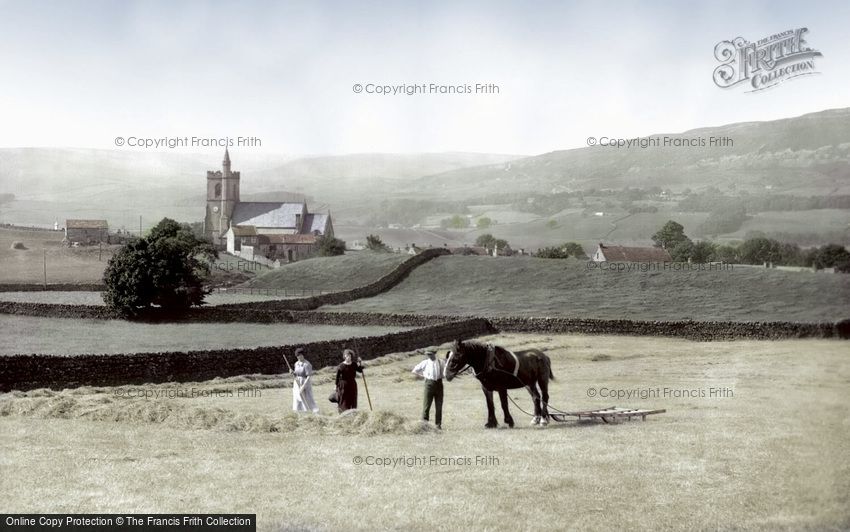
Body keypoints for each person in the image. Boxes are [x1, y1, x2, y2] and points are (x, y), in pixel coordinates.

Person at [411, 349, 445, 429]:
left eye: (430, 354)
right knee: (426, 406)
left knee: (439, 406)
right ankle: (424, 425)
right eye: (427, 354)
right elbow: (415, 370)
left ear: (434, 354)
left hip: (439, 384)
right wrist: (423, 376)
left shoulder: (441, 362)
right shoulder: (425, 362)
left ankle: (438, 425)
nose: (429, 356)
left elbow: (444, 372)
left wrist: (444, 376)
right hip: (429, 385)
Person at [290, 347, 319, 413]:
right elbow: (296, 374)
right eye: (297, 356)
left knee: (307, 397)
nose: (299, 357)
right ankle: (299, 412)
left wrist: (303, 386)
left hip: (305, 382)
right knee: (297, 396)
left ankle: (313, 411)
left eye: (300, 355)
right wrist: (292, 372)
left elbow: (309, 376)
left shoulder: (307, 364)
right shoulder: (296, 364)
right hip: (297, 382)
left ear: (303, 355)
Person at [335, 349, 363, 413]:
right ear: (344, 356)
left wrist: (360, 363)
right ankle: (344, 413)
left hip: (352, 384)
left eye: (350, 356)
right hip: (343, 385)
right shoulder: (341, 366)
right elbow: (337, 377)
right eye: (347, 356)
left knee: (353, 399)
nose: (348, 357)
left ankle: (353, 412)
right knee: (344, 400)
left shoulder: (354, 364)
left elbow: (360, 370)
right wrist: (336, 386)